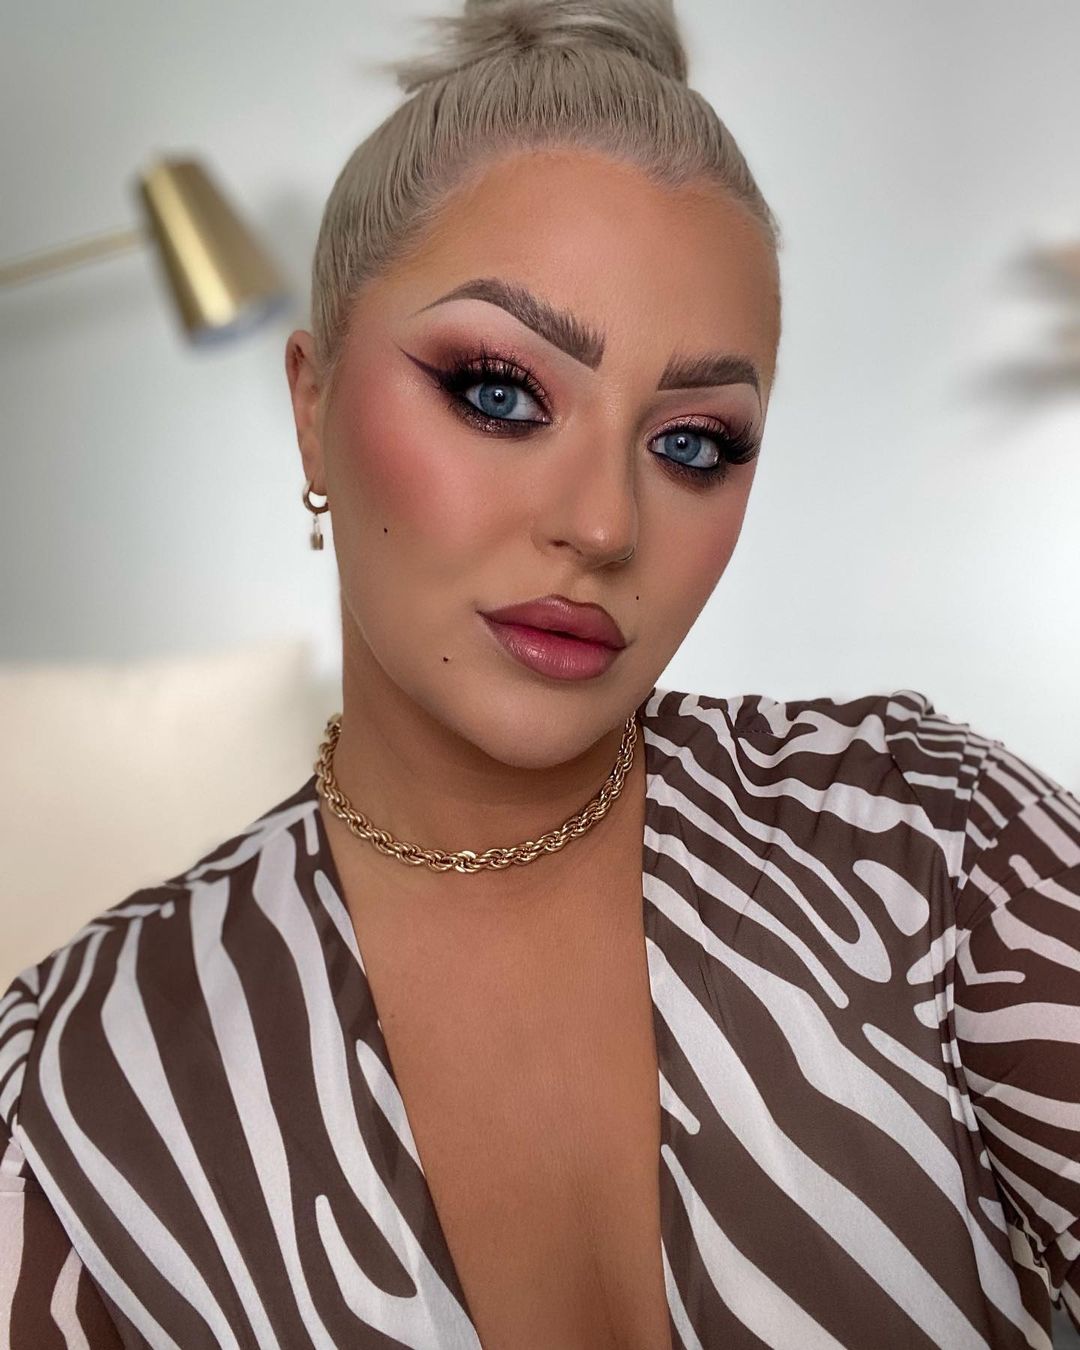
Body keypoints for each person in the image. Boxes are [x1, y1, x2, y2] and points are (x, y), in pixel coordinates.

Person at [2, 0, 1078, 1346]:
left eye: (693, 443)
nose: (605, 524)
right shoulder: (71, 1098)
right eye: (501, 392)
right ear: (312, 406)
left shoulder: (932, 846)